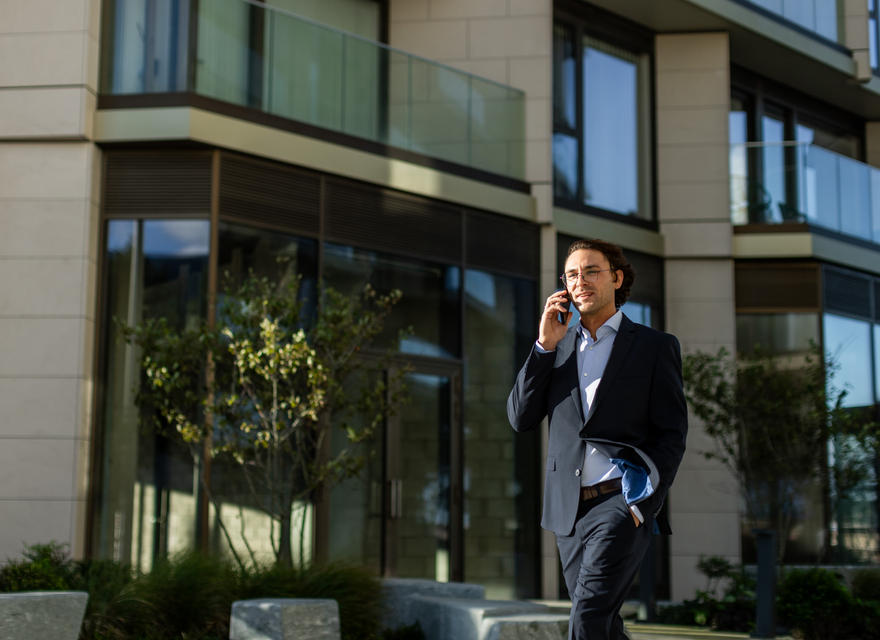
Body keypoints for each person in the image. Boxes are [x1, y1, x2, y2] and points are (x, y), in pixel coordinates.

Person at [507, 238, 687, 640]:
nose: (580, 281)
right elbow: (520, 417)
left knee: (587, 617)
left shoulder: (654, 347)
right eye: (572, 275)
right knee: (602, 624)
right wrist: (543, 346)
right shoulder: (556, 348)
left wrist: (644, 502)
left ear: (616, 278)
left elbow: (672, 433)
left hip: (620, 501)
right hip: (568, 510)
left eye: (591, 271)